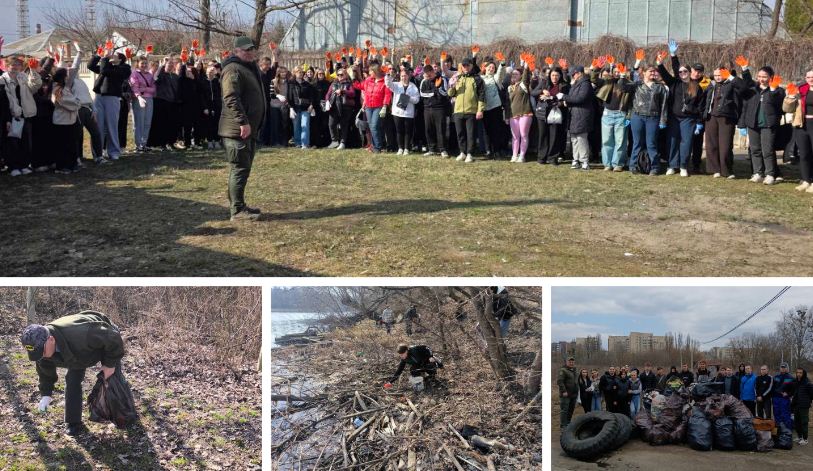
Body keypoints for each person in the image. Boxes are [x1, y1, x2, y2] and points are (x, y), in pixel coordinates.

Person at [20, 311, 124, 436]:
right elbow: (45, 373)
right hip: (77, 354)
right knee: (72, 381)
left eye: (42, 352)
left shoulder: (82, 332)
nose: (41, 356)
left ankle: (123, 414)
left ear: (51, 340)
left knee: (113, 378)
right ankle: (73, 422)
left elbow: (113, 337)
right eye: (37, 354)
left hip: (104, 340)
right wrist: (46, 394)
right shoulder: (42, 351)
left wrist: (110, 364)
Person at [219, 36, 266, 221]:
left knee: (242, 168)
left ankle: (238, 204)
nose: (250, 53)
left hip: (247, 129)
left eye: (252, 49)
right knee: (240, 168)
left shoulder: (247, 68)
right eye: (246, 50)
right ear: (236, 51)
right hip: (237, 130)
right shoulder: (232, 69)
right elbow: (230, 97)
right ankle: (237, 211)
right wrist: (243, 122)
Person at [657, 40, 706, 177]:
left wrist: (699, 122)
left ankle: (683, 166)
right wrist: (670, 57)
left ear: (690, 72)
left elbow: (700, 106)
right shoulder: (674, 83)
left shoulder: (697, 87)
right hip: (674, 118)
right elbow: (670, 70)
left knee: (686, 142)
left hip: (688, 119)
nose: (682, 73)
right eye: (680, 71)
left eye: (685, 71)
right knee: (672, 141)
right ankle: (672, 165)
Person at [737, 61, 786, 185]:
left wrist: (773, 90)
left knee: (767, 150)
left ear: (771, 77)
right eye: (759, 76)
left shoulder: (778, 90)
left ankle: (770, 174)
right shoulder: (754, 88)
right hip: (753, 124)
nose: (761, 79)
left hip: (768, 125)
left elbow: (779, 106)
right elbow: (747, 82)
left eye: (764, 77)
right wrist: (745, 69)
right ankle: (757, 172)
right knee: (755, 149)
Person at [621, 64, 669, 175]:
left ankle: (654, 167)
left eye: (654, 72)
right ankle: (633, 165)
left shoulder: (660, 87)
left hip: (653, 118)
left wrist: (663, 120)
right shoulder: (637, 85)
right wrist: (622, 76)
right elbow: (623, 87)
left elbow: (664, 105)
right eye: (650, 71)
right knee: (637, 142)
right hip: (637, 117)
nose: (652, 73)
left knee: (651, 143)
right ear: (644, 72)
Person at [703, 66, 746, 178]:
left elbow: (744, 87)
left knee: (725, 145)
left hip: (727, 117)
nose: (717, 77)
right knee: (711, 144)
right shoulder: (711, 84)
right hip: (711, 117)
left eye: (720, 75)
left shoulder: (732, 83)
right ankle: (714, 169)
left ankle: (726, 170)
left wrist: (731, 77)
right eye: (716, 75)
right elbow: (705, 99)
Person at [1, 56, 42, 175]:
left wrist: (33, 71)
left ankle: (24, 165)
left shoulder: (23, 76)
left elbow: (35, 86)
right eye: (13, 65)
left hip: (26, 113)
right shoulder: (2, 80)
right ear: (6, 66)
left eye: (18, 65)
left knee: (26, 142)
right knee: (12, 143)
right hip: (12, 115)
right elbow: (4, 101)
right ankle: (13, 167)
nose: (15, 67)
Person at [88, 50, 131, 160]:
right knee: (98, 126)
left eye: (115, 55)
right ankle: (98, 152)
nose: (112, 55)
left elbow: (105, 71)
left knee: (111, 126)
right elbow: (90, 65)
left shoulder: (124, 68)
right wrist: (99, 55)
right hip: (99, 97)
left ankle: (114, 152)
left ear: (120, 59)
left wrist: (105, 59)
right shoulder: (106, 65)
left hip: (112, 98)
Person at [590, 62, 631, 171]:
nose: (617, 73)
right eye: (616, 71)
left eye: (620, 71)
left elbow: (630, 100)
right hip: (607, 113)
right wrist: (597, 67)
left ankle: (618, 164)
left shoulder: (628, 83)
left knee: (620, 140)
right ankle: (607, 164)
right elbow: (593, 79)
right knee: (607, 140)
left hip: (621, 114)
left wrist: (628, 116)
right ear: (612, 72)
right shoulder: (607, 81)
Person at [447, 57, 485, 163]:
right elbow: (450, 94)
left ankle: (470, 153)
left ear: (471, 66)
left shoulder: (477, 79)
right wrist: (452, 85)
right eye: (464, 66)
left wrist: (480, 110)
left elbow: (482, 95)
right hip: (458, 110)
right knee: (460, 133)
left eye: (468, 65)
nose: (466, 67)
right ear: (462, 67)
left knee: (470, 134)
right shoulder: (458, 78)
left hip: (471, 111)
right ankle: (462, 152)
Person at [784, 70, 813, 192]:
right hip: (801, 124)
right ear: (805, 78)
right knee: (804, 154)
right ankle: (806, 180)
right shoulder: (800, 89)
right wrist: (790, 97)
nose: (811, 79)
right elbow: (787, 109)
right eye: (808, 77)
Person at [561, 65, 594, 170]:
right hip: (574, 114)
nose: (573, 76)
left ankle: (584, 161)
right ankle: (576, 159)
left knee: (581, 138)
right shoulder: (576, 84)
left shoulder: (585, 84)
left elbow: (580, 98)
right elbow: (572, 98)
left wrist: (564, 97)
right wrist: (567, 101)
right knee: (574, 138)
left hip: (582, 115)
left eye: (574, 74)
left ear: (579, 73)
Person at [50, 64, 81, 174]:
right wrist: (77, 103)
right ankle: (62, 166)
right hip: (61, 121)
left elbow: (73, 100)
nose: (68, 77)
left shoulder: (65, 88)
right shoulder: (57, 89)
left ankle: (72, 164)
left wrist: (76, 102)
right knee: (62, 144)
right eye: (66, 76)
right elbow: (67, 102)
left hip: (69, 120)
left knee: (71, 143)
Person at [385, 67, 420, 155]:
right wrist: (388, 75)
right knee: (399, 131)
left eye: (405, 76)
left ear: (408, 76)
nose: (403, 78)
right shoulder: (396, 85)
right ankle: (400, 148)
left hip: (408, 113)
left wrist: (408, 98)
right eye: (401, 76)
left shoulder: (413, 87)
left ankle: (407, 148)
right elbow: (388, 84)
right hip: (397, 112)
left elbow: (417, 100)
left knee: (408, 131)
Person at [151, 56, 182, 151]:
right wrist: (162, 65)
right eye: (168, 64)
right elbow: (155, 78)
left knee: (172, 124)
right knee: (162, 124)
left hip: (173, 103)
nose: (170, 66)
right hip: (162, 101)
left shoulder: (175, 76)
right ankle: (162, 144)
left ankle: (171, 142)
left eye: (172, 64)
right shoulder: (161, 75)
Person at [419, 65, 450, 157]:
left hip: (439, 108)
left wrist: (438, 89)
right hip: (427, 108)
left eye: (430, 75)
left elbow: (445, 93)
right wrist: (434, 92)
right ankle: (431, 149)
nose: (428, 77)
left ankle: (442, 149)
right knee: (429, 128)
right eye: (427, 75)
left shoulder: (442, 79)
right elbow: (422, 94)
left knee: (440, 129)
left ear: (433, 72)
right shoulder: (424, 81)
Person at [326, 67, 358, 150]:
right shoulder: (333, 83)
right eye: (338, 74)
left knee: (344, 125)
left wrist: (343, 91)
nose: (339, 76)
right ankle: (334, 140)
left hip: (345, 108)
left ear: (346, 75)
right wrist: (327, 101)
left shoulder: (349, 84)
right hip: (334, 107)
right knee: (331, 124)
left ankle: (342, 143)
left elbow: (352, 93)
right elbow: (328, 94)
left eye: (341, 74)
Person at [479, 57, 505, 158]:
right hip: (485, 108)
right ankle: (488, 150)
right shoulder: (480, 78)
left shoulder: (495, 78)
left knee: (496, 130)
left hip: (496, 107)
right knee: (486, 130)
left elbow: (500, 73)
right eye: (489, 67)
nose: (491, 69)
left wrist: (502, 64)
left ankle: (497, 150)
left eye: (493, 68)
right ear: (485, 68)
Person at [507, 64, 533, 163]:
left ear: (521, 76)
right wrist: (506, 116)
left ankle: (522, 155)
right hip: (513, 115)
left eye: (516, 74)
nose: (514, 75)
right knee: (515, 136)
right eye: (512, 74)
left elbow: (526, 77)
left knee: (523, 134)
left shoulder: (523, 84)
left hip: (525, 113)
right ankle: (514, 155)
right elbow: (507, 103)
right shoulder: (510, 88)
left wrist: (526, 67)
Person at [129, 56, 155, 153]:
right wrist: (139, 96)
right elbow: (135, 88)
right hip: (138, 100)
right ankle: (138, 144)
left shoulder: (149, 75)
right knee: (139, 122)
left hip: (149, 99)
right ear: (138, 64)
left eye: (145, 63)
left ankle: (144, 144)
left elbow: (153, 89)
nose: (144, 65)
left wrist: (143, 89)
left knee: (147, 122)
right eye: (142, 63)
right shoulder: (134, 74)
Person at [792, 368, 812, 445]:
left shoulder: (807, 382)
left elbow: (811, 394)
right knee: (797, 422)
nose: (798, 374)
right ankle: (800, 437)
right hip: (796, 405)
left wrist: (807, 401)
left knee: (804, 422)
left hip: (804, 405)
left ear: (803, 373)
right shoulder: (796, 382)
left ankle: (805, 439)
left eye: (800, 373)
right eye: (797, 372)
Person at [773, 362, 795, 432]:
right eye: (781, 367)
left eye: (784, 367)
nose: (783, 369)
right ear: (780, 368)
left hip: (784, 399)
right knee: (776, 414)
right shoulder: (776, 377)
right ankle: (778, 430)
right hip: (776, 398)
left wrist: (788, 394)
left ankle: (788, 431)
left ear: (787, 368)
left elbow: (793, 390)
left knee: (785, 414)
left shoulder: (791, 378)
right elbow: (773, 387)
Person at [558, 357, 578, 428]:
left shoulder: (574, 370)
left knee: (571, 409)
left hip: (574, 394)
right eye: (570, 362)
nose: (571, 363)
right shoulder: (563, 370)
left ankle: (568, 422)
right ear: (566, 362)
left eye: (572, 362)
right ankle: (563, 425)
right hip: (566, 394)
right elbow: (560, 381)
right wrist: (564, 391)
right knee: (564, 410)